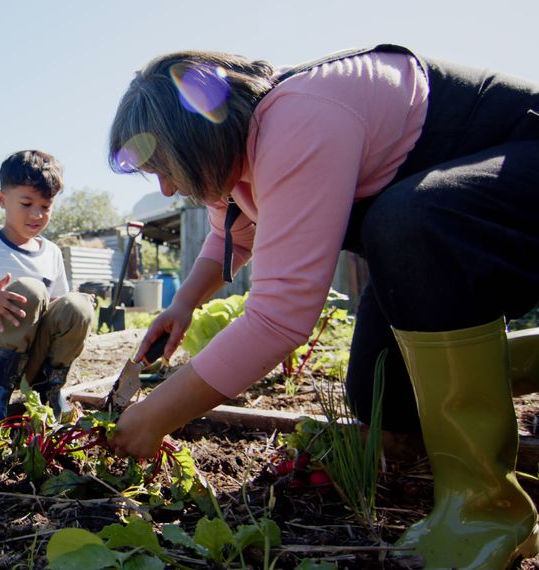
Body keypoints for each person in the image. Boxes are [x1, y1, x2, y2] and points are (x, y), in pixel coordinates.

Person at [105, 45, 539, 569]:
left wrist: (154, 417)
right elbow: (230, 236)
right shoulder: (234, 154)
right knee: (382, 395)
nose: (167, 187)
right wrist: (183, 305)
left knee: (407, 219)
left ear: (198, 137)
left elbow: (278, 317)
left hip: (521, 161)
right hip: (444, 224)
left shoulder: (299, 118)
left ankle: (486, 511)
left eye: (166, 167)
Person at [0, 150, 94, 430]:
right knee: (30, 290)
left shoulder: (51, 253)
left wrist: (78, 313)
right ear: (2, 199)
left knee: (78, 305)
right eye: (26, 203)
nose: (36, 214)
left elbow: (59, 308)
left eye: (46, 206)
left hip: (30, 359)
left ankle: (47, 391)